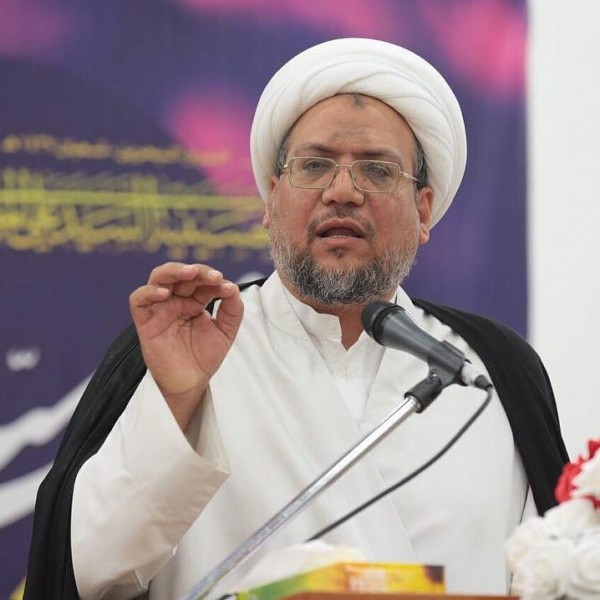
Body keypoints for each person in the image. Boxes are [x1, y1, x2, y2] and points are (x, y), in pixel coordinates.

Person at [24, 38, 568, 600]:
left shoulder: (490, 368)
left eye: (377, 171)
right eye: (314, 166)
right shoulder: (191, 344)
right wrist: (177, 403)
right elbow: (87, 571)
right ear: (271, 197)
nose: (342, 192)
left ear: (423, 209)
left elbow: (553, 574)